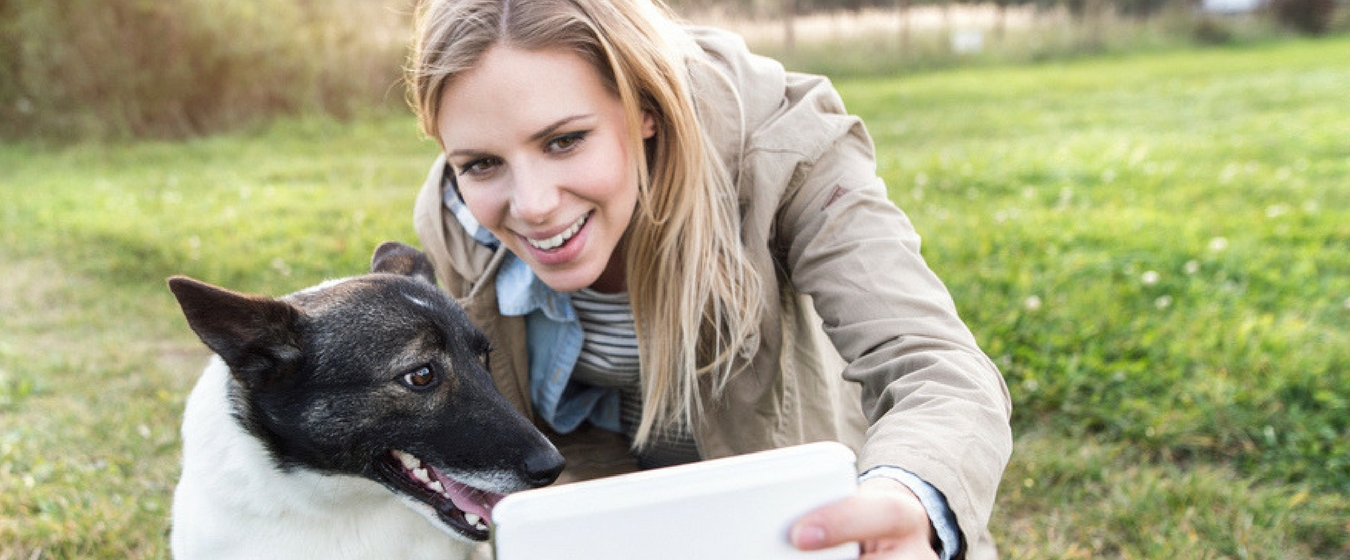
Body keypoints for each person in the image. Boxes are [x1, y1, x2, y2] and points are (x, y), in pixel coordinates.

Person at [402, 0, 1013, 558]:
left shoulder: (784, 148)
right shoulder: (455, 219)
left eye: (565, 141)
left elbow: (934, 364)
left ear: (644, 108)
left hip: (808, 518)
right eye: (481, 163)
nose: (532, 205)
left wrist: (906, 498)